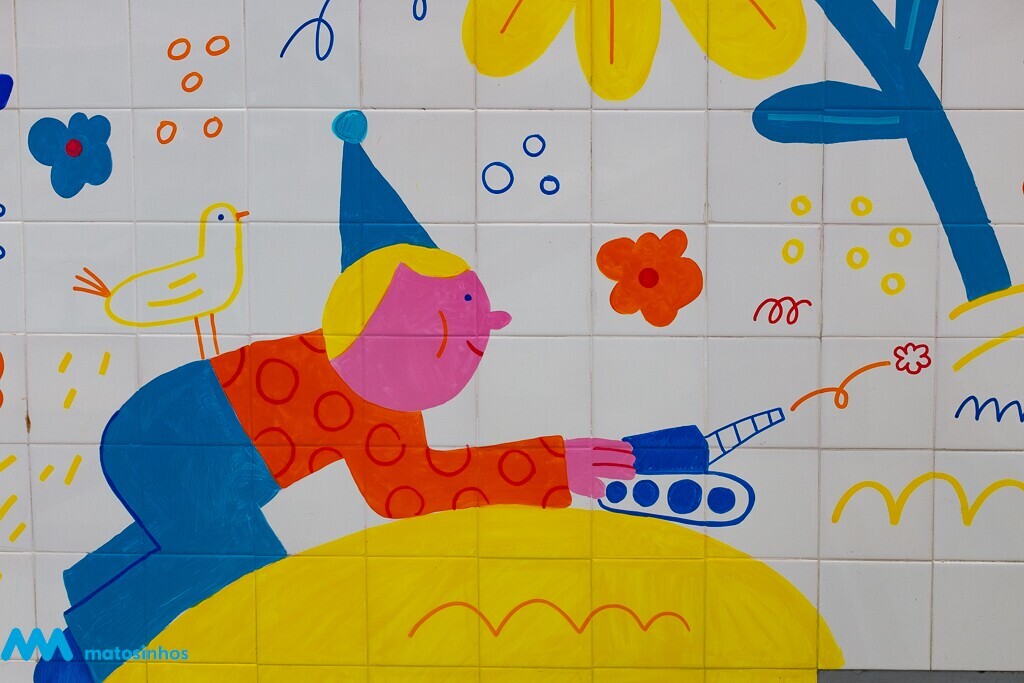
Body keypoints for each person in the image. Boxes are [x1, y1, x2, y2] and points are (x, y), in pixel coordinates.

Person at [35, 111, 635, 683]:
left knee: (199, 539)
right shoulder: (352, 374)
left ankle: (84, 604)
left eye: (472, 334)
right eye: (449, 321)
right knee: (241, 568)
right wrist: (552, 466)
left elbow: (412, 489)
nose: (462, 340)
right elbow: (411, 492)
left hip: (168, 441)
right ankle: (80, 663)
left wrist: (552, 465)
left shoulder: (383, 399)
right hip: (166, 439)